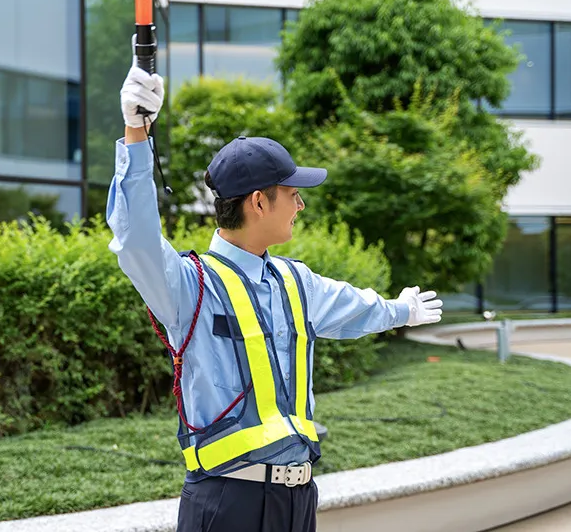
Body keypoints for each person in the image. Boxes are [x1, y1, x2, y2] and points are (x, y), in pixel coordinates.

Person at [107, 60, 444, 532]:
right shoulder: (189, 285)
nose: (301, 204)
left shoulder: (294, 280)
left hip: (298, 500)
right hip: (227, 503)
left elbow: (354, 308)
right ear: (259, 202)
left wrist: (402, 310)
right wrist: (136, 134)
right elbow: (135, 237)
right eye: (292, 193)